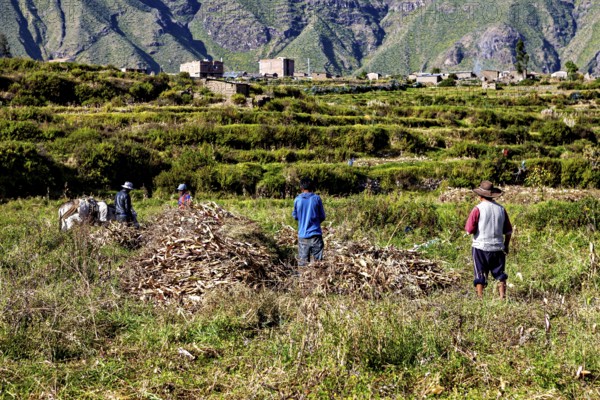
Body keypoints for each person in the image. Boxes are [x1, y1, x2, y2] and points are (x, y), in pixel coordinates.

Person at [465, 180, 513, 299]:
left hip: (480, 246)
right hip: (498, 247)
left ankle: (480, 298)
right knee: (500, 273)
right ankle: (502, 297)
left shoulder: (477, 209)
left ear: (480, 196)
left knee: (480, 273)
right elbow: (508, 231)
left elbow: (469, 230)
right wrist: (506, 245)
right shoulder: (501, 209)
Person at [292, 178, 326, 267]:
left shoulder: (297, 200)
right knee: (318, 265)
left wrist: (303, 220)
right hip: (316, 235)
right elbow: (322, 216)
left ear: (301, 188)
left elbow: (295, 216)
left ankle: (303, 280)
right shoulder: (317, 199)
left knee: (303, 264)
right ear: (312, 187)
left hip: (303, 236)